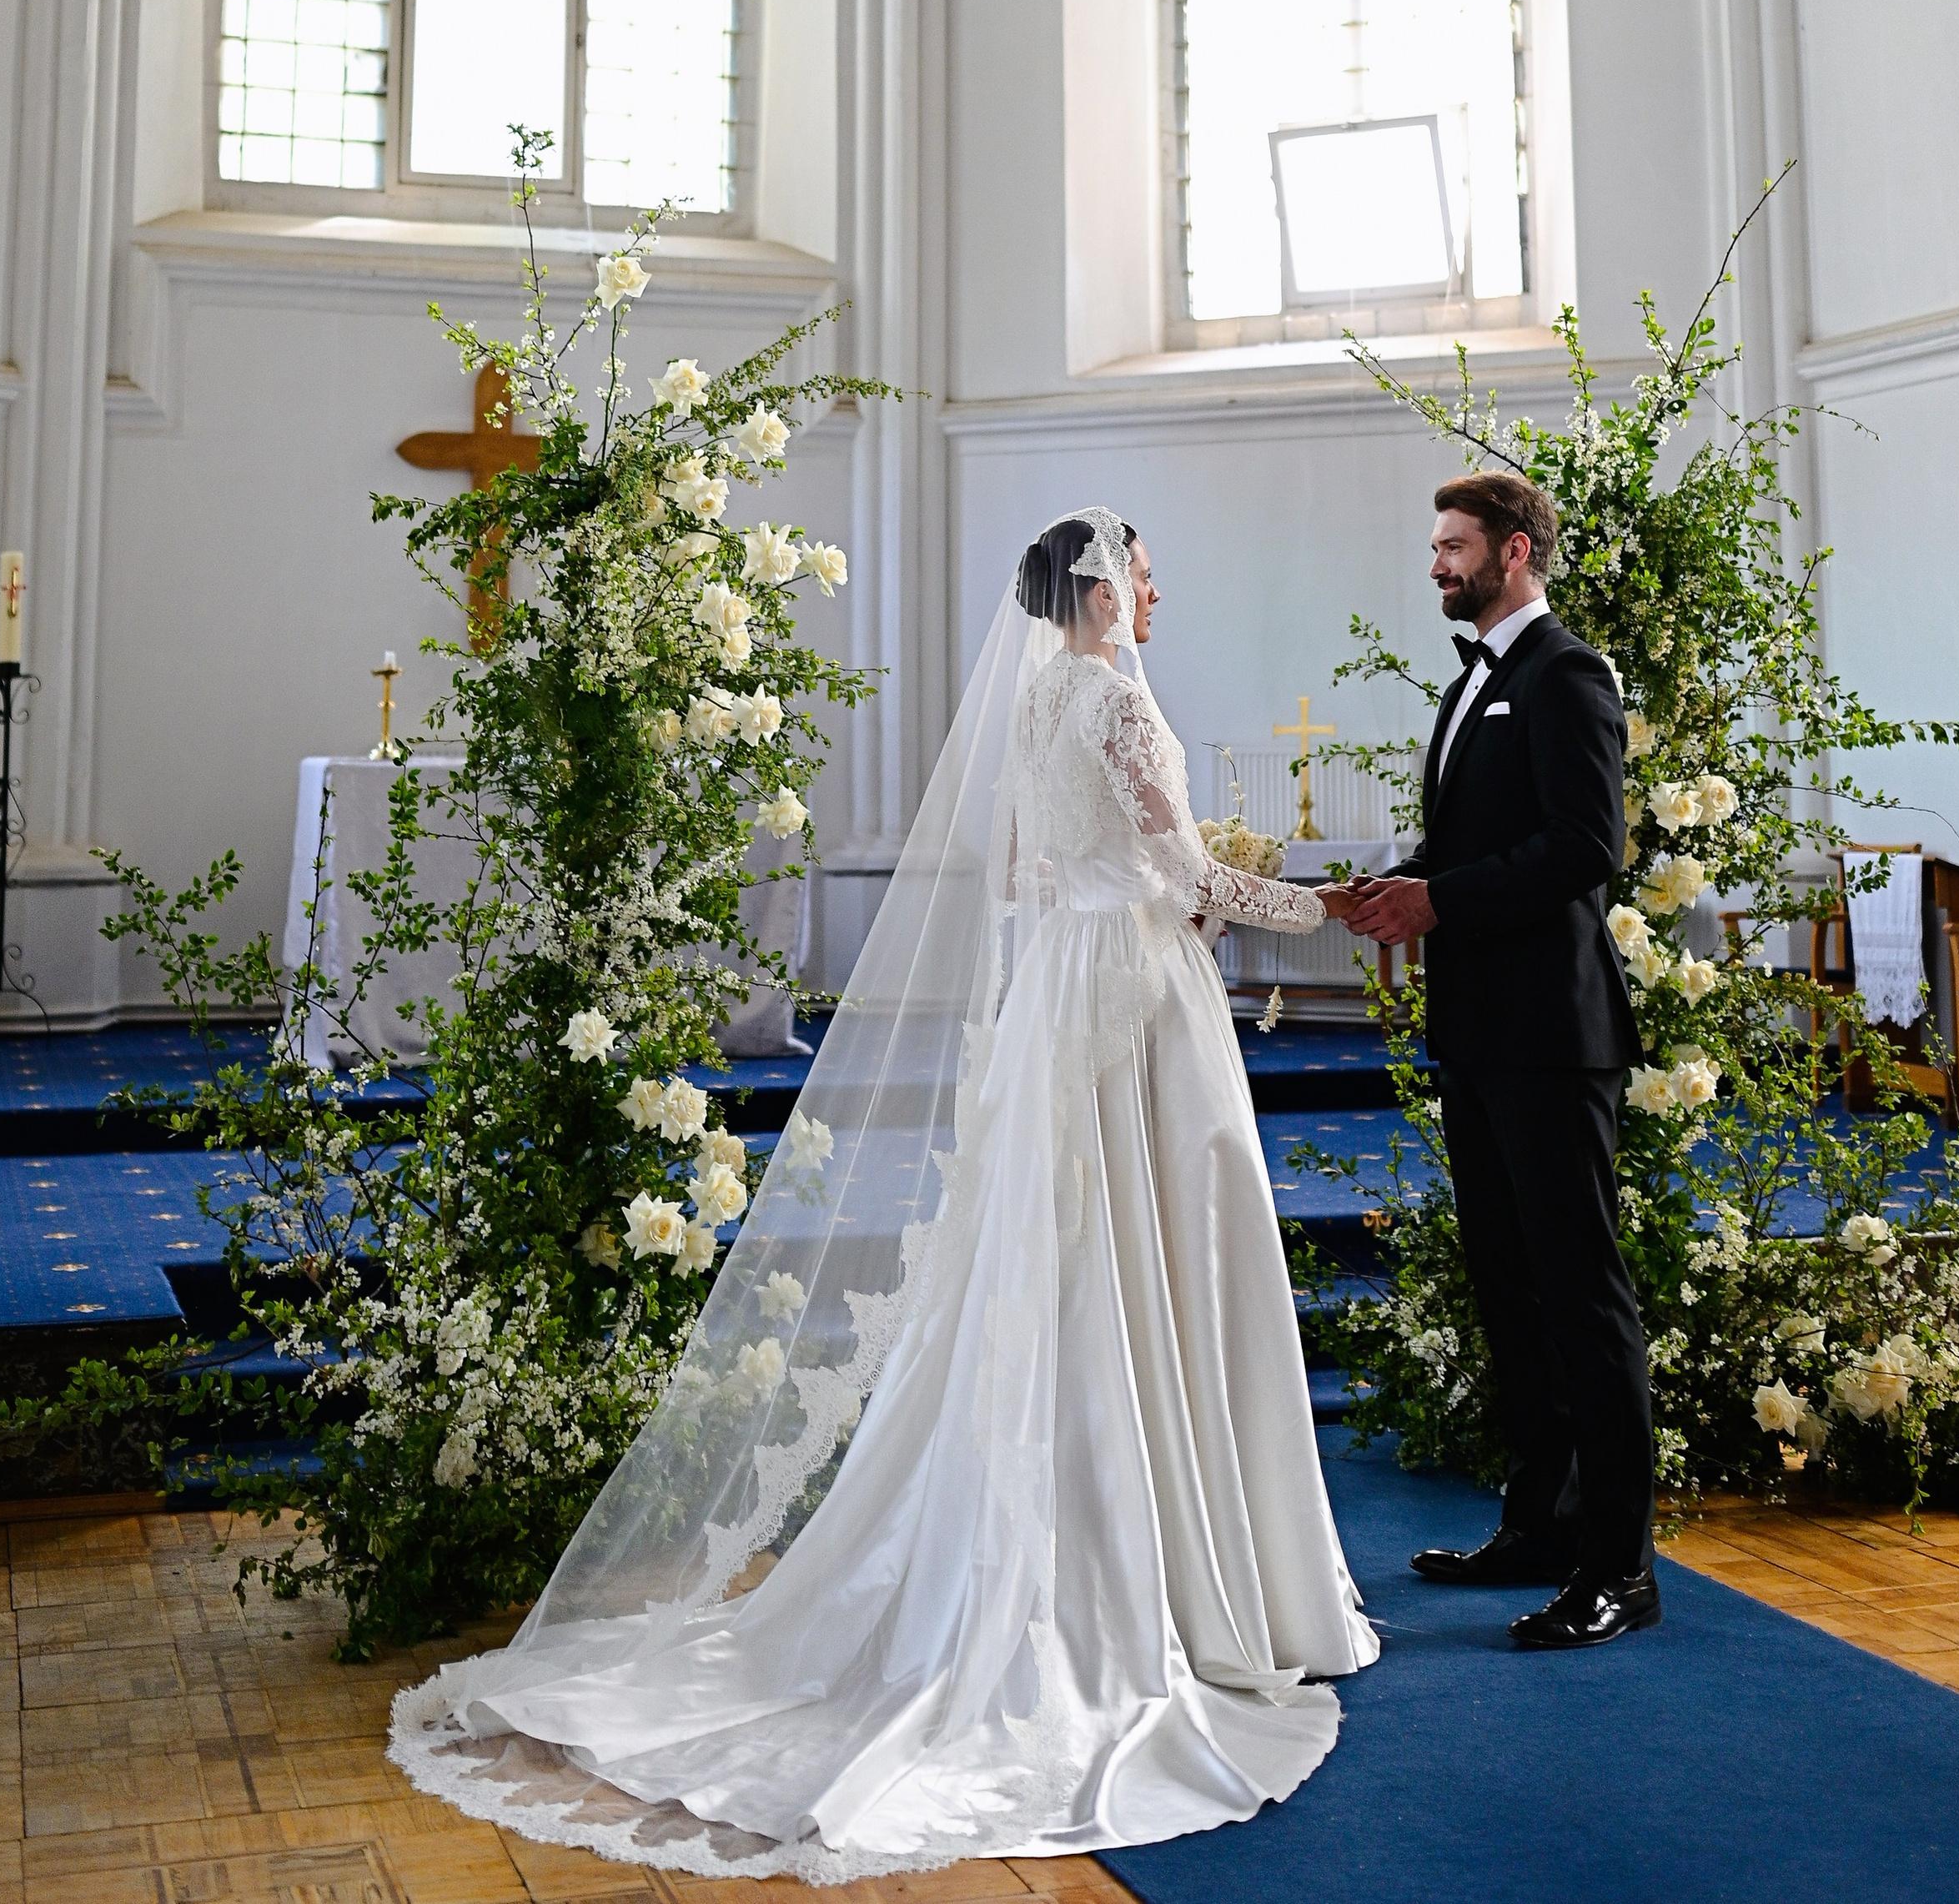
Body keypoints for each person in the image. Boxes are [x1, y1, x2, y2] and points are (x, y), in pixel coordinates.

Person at [390, 508, 1377, 1874]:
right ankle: (1159, 1574)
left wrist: (1172, 894)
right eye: (1143, 568)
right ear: (1101, 592)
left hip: (1057, 997)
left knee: (1061, 1254)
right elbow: (1183, 871)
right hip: (1137, 1000)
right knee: (1150, 1247)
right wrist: (1332, 905)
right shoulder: (1118, 708)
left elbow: (1036, 871)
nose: (1157, 585)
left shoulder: (1034, 705)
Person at [1331, 470, 1655, 1650]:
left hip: (1554, 1040)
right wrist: (1392, 893)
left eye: (1452, 547)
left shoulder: (1566, 674)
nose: (1435, 565)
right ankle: (1540, 1522)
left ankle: (1621, 1564)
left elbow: (1585, 846)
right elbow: (1471, 842)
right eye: (1435, 546)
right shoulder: (1480, 681)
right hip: (1477, 1031)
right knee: (1510, 1292)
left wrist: (1438, 901)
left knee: (1583, 1296)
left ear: (1514, 553)